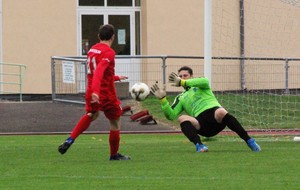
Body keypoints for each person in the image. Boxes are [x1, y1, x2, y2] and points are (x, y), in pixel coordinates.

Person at [58, 24, 131, 160]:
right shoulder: (109, 52)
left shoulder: (92, 49)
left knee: (92, 114)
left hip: (90, 89)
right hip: (105, 93)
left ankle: (70, 139)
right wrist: (97, 92)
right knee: (115, 121)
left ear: (98, 36)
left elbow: (95, 71)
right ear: (113, 37)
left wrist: (114, 77)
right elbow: (99, 71)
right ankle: (114, 155)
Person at [150, 66, 261, 152]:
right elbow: (171, 115)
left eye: (185, 75)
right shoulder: (181, 97)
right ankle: (200, 146)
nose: (182, 78)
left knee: (221, 111)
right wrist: (163, 100)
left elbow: (205, 81)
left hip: (216, 118)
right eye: (180, 76)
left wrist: (182, 82)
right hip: (202, 125)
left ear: (191, 76)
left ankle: (249, 141)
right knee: (182, 118)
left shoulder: (200, 84)